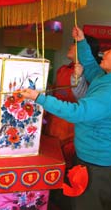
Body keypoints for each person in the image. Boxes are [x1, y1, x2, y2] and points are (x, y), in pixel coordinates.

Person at [21, 26, 111, 210]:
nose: (105, 52)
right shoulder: (108, 77)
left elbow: (79, 112)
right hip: (89, 154)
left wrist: (39, 98)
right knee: (84, 208)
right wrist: (81, 41)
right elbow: (89, 64)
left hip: (97, 162)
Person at [43, 36, 101, 168]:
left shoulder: (92, 75)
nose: (70, 46)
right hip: (53, 122)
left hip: (72, 129)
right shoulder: (63, 69)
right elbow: (56, 91)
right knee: (51, 158)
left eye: (74, 44)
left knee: (68, 163)